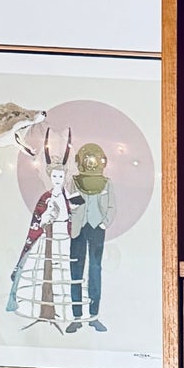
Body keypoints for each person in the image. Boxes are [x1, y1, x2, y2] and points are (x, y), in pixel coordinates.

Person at [8, 130, 73, 330]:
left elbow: (70, 216)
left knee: (63, 273)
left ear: (64, 176)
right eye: (54, 175)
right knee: (42, 271)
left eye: (60, 175)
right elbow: (38, 219)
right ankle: (40, 308)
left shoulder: (67, 197)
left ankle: (62, 311)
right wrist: (46, 218)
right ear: (50, 176)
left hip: (63, 237)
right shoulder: (45, 197)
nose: (57, 179)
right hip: (46, 238)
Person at [67, 142, 116, 333]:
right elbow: (71, 202)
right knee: (75, 271)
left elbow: (111, 206)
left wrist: (104, 223)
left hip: (97, 229)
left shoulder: (106, 182)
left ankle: (94, 316)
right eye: (87, 159)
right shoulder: (74, 181)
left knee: (95, 270)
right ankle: (77, 317)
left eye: (93, 159)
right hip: (78, 229)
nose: (90, 163)